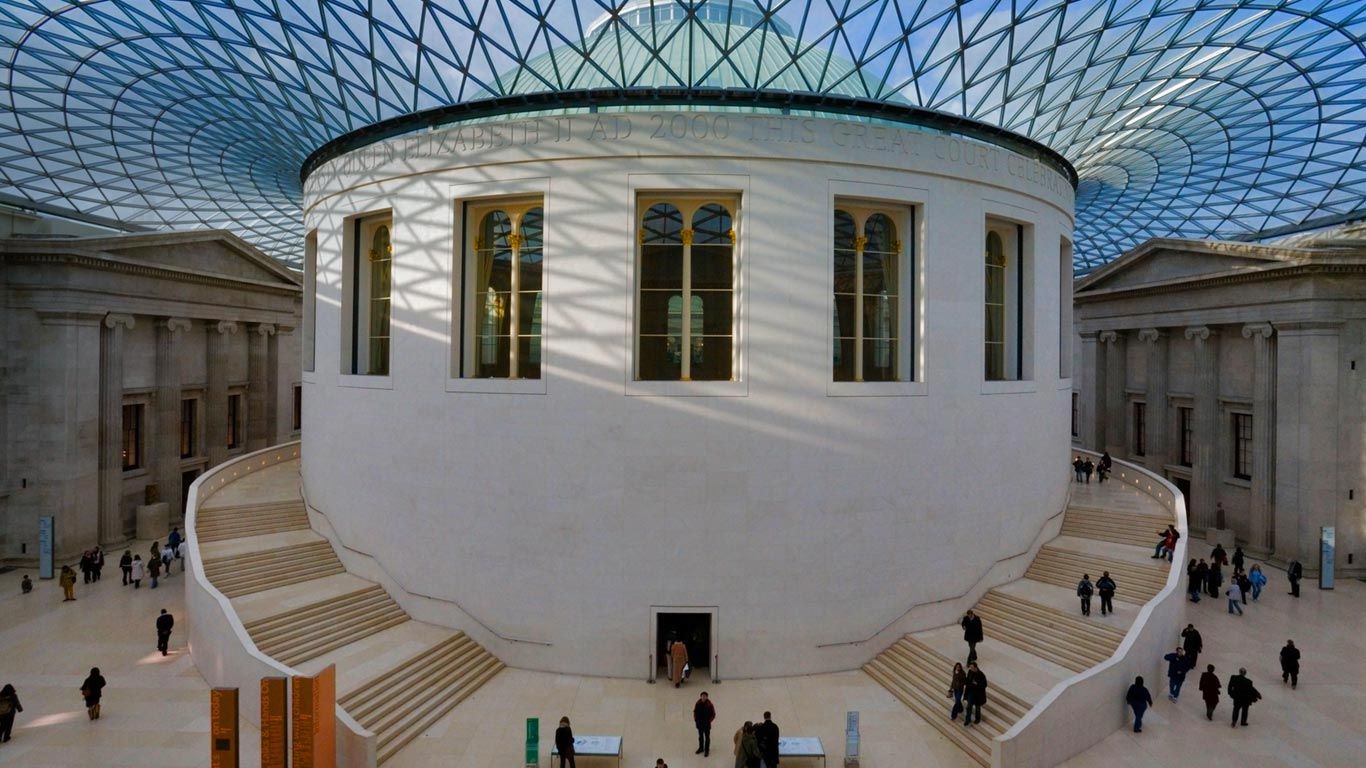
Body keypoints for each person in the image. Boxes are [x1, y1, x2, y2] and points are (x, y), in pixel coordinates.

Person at [693, 691, 715, 756]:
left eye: (705, 696)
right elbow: (695, 712)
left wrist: (709, 721)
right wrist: (695, 720)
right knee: (700, 737)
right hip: (699, 724)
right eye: (702, 696)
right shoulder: (697, 703)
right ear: (701, 696)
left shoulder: (710, 704)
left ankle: (707, 750)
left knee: (707, 737)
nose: (703, 697)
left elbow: (713, 714)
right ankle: (701, 748)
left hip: (706, 724)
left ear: (707, 697)